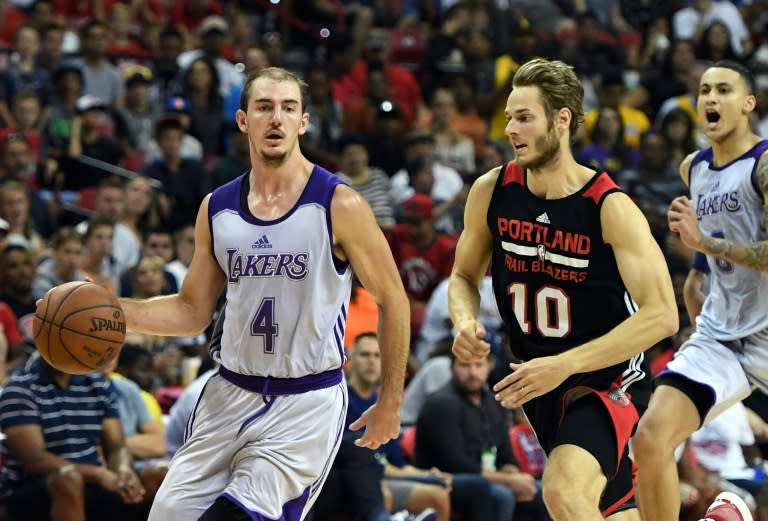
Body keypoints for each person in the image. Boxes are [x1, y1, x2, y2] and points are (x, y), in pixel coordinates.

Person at [117, 66, 410, 521]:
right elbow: (192, 310)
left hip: (304, 404)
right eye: (264, 107)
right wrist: (114, 312)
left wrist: (390, 400)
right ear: (242, 120)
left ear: (304, 121)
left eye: (288, 108)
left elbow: (394, 298)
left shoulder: (339, 204)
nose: (276, 118)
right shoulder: (216, 208)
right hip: (227, 395)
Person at [447, 57, 679, 520]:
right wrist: (464, 320)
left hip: (606, 378)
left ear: (562, 120)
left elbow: (662, 315)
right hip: (540, 381)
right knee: (609, 513)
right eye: (509, 117)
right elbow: (463, 277)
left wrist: (564, 365)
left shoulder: (609, 206)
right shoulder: (491, 191)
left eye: (524, 117)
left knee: (563, 493)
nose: (511, 129)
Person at [633, 60, 768, 521]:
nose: (711, 98)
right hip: (721, 336)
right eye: (705, 89)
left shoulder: (764, 163)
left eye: (725, 89)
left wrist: (702, 242)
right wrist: (696, 290)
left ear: (748, 103)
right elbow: (701, 262)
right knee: (649, 439)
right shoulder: (694, 167)